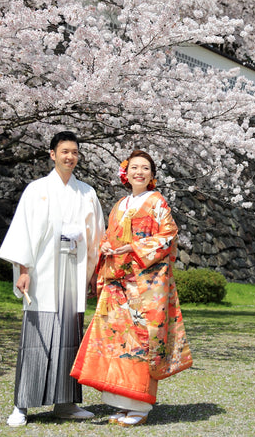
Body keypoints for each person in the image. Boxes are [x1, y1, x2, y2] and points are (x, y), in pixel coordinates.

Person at [71, 149, 192, 427]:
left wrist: (134, 247)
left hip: (145, 284)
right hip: (119, 281)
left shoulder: (157, 202)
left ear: (152, 176)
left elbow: (168, 236)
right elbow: (110, 235)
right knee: (118, 341)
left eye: (145, 168)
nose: (139, 172)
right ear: (126, 173)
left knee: (141, 341)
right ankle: (122, 403)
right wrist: (105, 247)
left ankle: (140, 405)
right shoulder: (120, 205)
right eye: (134, 167)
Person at [0, 131, 105, 427]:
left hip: (74, 270)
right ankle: (21, 405)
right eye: (64, 151)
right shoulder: (36, 190)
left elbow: (96, 236)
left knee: (70, 338)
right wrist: (23, 271)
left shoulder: (87, 193)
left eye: (74, 152)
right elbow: (24, 232)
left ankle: (66, 403)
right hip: (43, 271)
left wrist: (94, 274)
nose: (70, 157)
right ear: (52, 154)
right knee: (37, 337)